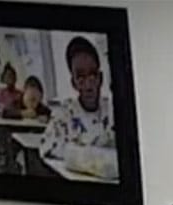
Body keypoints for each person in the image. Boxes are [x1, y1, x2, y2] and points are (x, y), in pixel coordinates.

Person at [38, 36, 116, 179]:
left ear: (101, 78)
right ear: (73, 83)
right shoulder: (64, 114)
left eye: (92, 75)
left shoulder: (112, 110)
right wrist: (84, 156)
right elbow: (45, 148)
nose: (87, 84)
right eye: (80, 77)